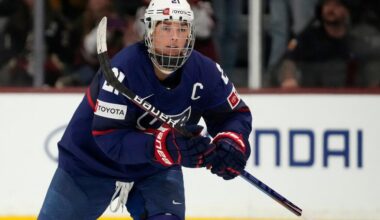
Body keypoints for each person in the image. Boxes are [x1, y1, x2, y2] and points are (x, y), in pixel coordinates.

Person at [38, 0, 252, 219]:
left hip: (153, 170)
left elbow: (233, 115)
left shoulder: (206, 72)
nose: (175, 37)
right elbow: (109, 137)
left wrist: (231, 144)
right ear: (150, 30)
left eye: (182, 28)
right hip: (90, 165)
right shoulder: (123, 69)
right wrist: (168, 146)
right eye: (166, 28)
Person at [277, 0, 355, 88]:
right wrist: (289, 77)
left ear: (347, 10)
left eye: (336, 5)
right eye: (327, 5)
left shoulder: (355, 41)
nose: (331, 9)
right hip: (312, 95)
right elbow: (288, 60)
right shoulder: (307, 38)